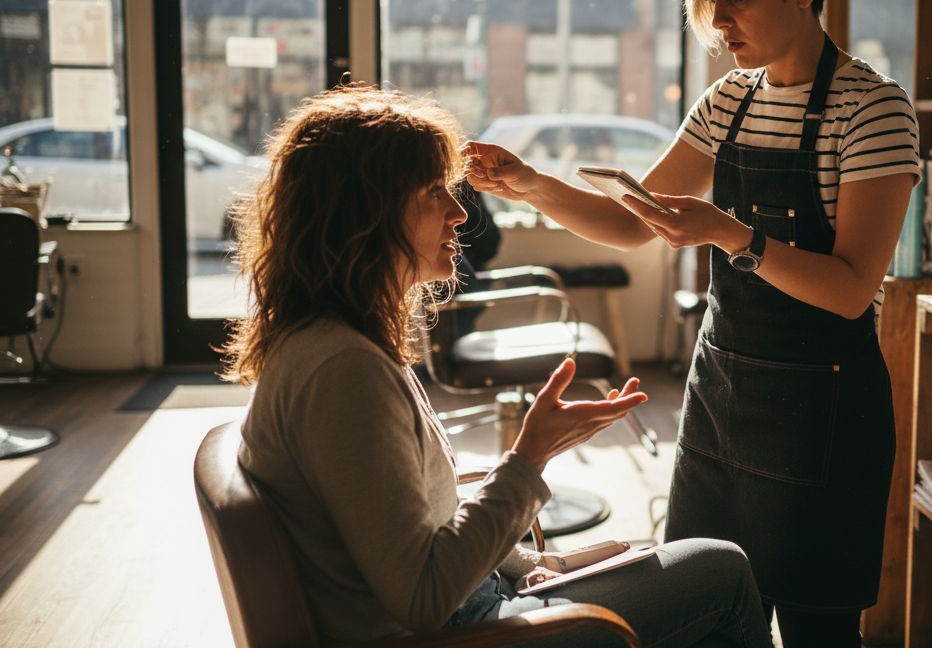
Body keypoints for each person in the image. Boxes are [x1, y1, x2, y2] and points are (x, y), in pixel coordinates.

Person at [467, 0, 920, 646]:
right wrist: (533, 184)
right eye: (709, 1)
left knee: (818, 629)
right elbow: (628, 223)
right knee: (702, 615)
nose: (719, 21)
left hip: (826, 420)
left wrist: (733, 236)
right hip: (722, 401)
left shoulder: (871, 110)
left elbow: (849, 291)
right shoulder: (726, 103)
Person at [224, 85, 772, 647]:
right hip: (470, 631)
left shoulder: (331, 342)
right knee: (721, 570)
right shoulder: (344, 372)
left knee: (662, 559)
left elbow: (418, 519)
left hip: (482, 600)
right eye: (435, 192)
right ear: (366, 212)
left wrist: (537, 564)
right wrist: (528, 458)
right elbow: (423, 598)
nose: (460, 214)